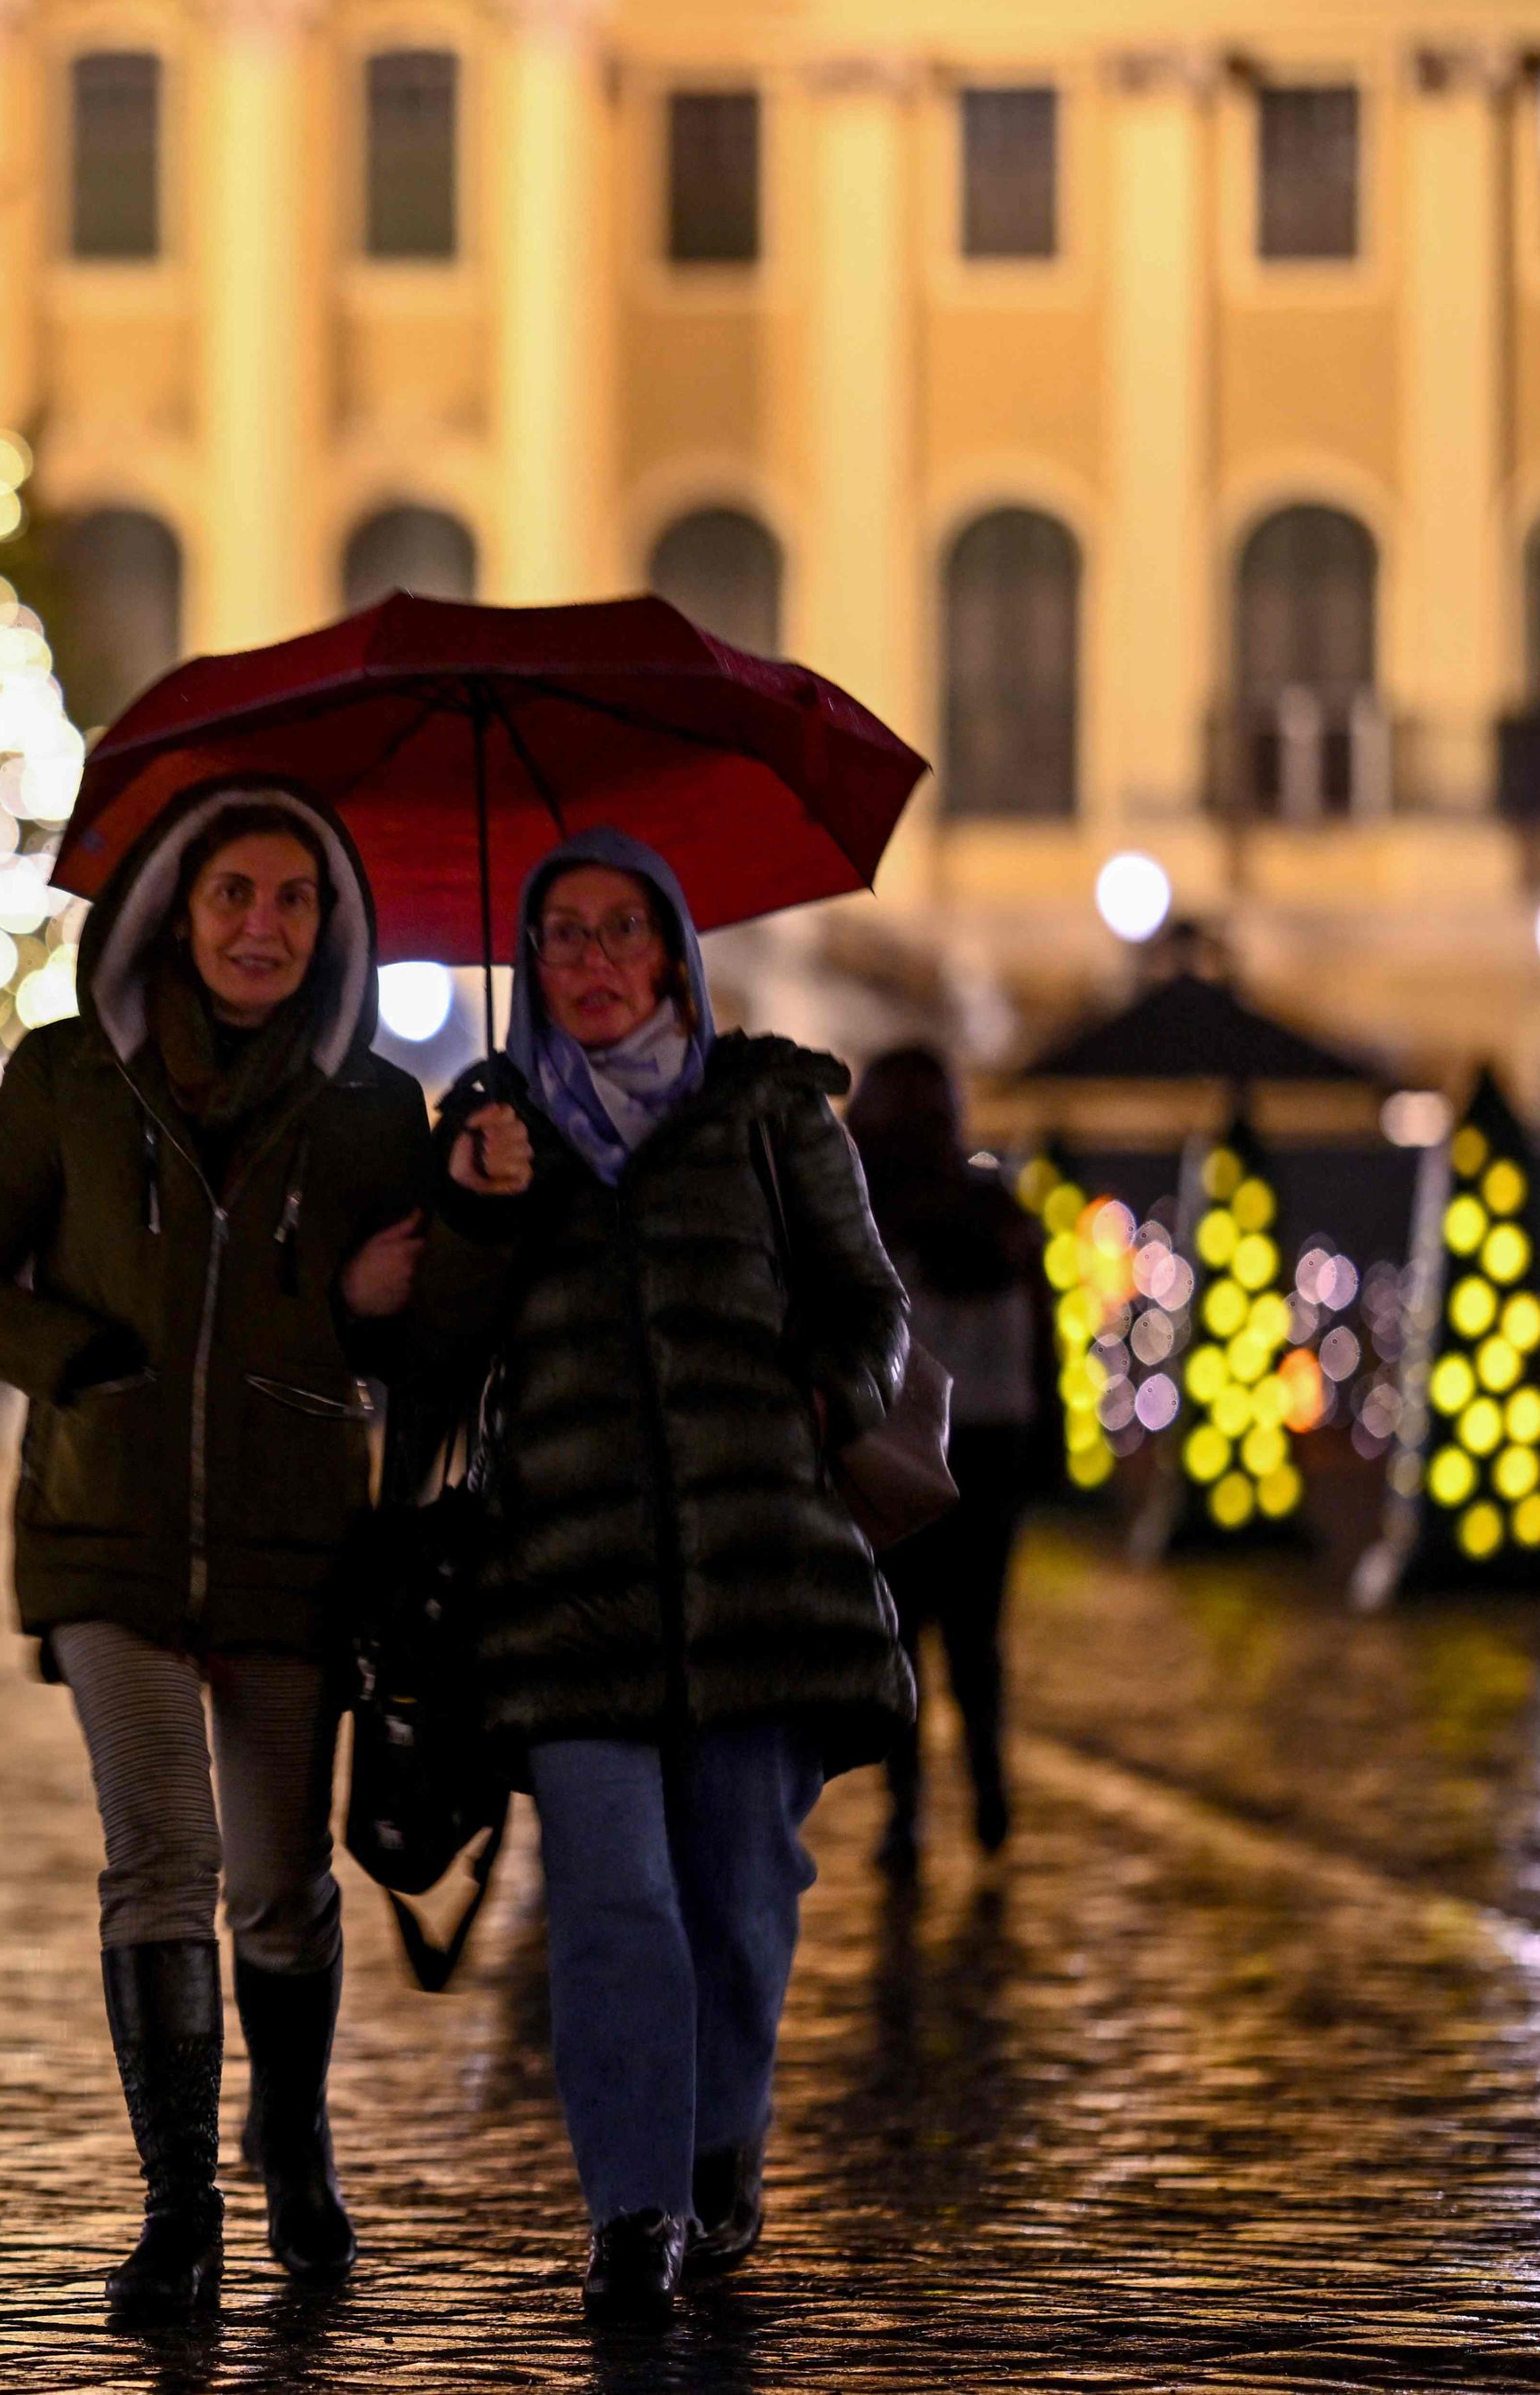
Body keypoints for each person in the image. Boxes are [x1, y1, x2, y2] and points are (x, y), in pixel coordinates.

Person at [0, 782, 529, 2322]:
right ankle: (178, 2206)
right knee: (161, 1862)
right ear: (176, 912)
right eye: (236, 895)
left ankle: (296, 2136)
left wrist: (466, 1226)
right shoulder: (69, 1078)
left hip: (293, 1543)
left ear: (333, 931)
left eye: (295, 902)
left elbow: (439, 1352)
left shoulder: (378, 1110)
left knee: (281, 1882)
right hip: (104, 1536)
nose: (264, 927)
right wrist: (76, 1361)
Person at [465, 828, 914, 2321]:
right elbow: (435, 1360)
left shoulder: (772, 1113)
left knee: (736, 1897)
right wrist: (479, 1204)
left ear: (672, 956)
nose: (588, 963)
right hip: (571, 1582)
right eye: (561, 935)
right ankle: (634, 2209)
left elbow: (867, 1305)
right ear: (528, 964)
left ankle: (723, 2141)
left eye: (617, 931)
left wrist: (824, 1400)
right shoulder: (492, 1123)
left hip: (757, 1583)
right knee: (613, 1900)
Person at [845, 1046, 1040, 1868]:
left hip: (909, 1442)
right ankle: (977, 1791)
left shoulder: (872, 1212)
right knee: (970, 1639)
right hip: (984, 1443)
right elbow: (1042, 1338)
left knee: (909, 1638)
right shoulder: (992, 1208)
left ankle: (915, 1811)